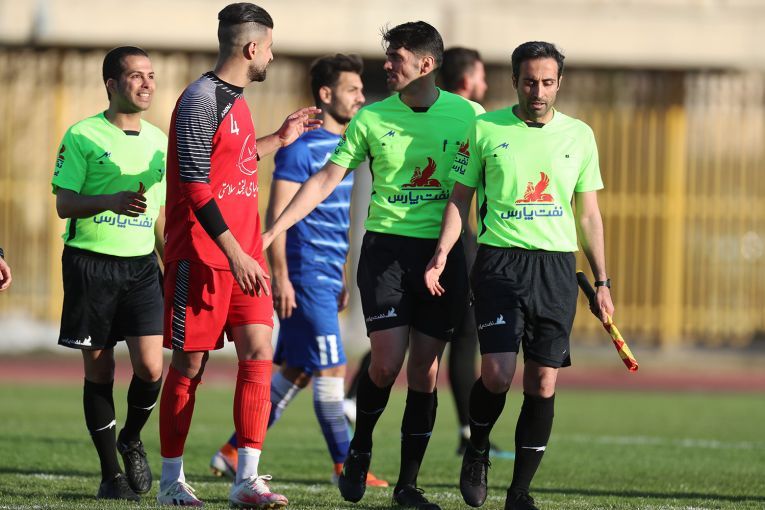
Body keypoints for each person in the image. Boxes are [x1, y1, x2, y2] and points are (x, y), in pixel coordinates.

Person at [263, 21, 484, 510]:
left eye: (396, 58)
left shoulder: (469, 115)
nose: (386, 66)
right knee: (384, 363)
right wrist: (274, 229)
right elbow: (325, 180)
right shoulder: (371, 118)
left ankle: (408, 484)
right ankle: (359, 449)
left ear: (425, 64)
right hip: (386, 252)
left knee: (424, 372)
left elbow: (487, 185)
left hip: (443, 254)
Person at [424, 41, 615, 510]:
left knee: (543, 382)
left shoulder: (580, 136)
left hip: (556, 268)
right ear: (514, 81)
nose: (538, 91)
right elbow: (460, 198)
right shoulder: (484, 128)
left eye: (547, 82)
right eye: (530, 82)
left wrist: (603, 282)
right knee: (497, 373)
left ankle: (520, 492)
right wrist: (442, 252)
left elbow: (589, 214)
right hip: (499, 262)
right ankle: (477, 448)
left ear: (559, 83)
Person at [156, 3, 321, 507]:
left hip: (243, 256)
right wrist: (235, 252)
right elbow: (195, 185)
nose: (272, 55)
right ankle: (170, 482)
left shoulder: (239, 102)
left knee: (259, 352)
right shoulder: (199, 99)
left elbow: (233, 162)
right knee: (189, 365)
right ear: (252, 48)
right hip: (202, 257)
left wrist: (279, 139)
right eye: (269, 47)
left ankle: (247, 479)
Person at [209, 53, 387, 489]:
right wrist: (282, 276)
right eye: (352, 89)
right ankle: (346, 464)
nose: (360, 97)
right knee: (331, 371)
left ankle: (231, 452)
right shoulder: (302, 148)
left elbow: (337, 220)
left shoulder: (347, 148)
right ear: (325, 95)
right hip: (303, 275)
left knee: (299, 370)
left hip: (326, 275)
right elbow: (278, 214)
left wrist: (341, 273)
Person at [51, 46, 166, 501]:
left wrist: (171, 263)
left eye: (151, 75)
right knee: (100, 371)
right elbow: (64, 204)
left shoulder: (160, 141)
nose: (147, 83)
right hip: (90, 264)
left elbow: (160, 215)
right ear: (112, 84)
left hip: (142, 266)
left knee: (151, 366)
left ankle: (131, 438)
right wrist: (110, 201)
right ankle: (109, 475)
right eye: (136, 76)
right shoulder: (82, 134)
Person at [440, 46, 510, 458]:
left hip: (413, 234)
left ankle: (353, 398)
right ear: (467, 81)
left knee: (412, 333)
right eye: (482, 76)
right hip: (457, 237)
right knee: (464, 336)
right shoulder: (476, 117)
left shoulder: (425, 111)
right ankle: (469, 432)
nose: (484, 84)